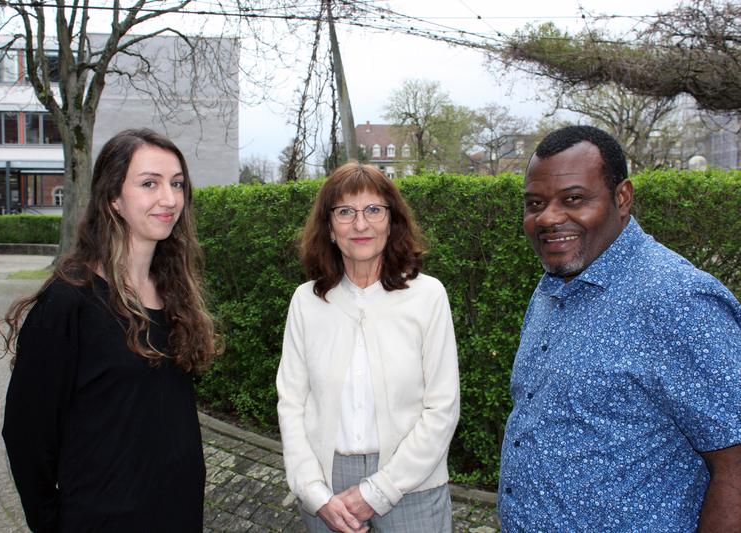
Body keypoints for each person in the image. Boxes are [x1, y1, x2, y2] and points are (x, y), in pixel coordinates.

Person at [499, 125, 741, 531]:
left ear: (622, 197)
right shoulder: (552, 286)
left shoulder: (679, 301)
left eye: (574, 199)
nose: (549, 218)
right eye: (535, 203)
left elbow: (735, 464)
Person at [0, 129, 216, 532]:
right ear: (113, 198)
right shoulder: (69, 303)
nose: (169, 199)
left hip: (178, 513)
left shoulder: (174, 295)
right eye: (149, 183)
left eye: (177, 184)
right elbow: (25, 435)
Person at [277, 162, 460, 533]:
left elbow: (442, 407)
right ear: (329, 228)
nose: (360, 225)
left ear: (392, 222)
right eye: (345, 212)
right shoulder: (306, 302)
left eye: (374, 210)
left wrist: (378, 491)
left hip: (412, 483)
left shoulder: (428, 296)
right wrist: (314, 492)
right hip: (328, 489)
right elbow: (292, 402)